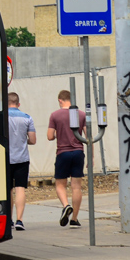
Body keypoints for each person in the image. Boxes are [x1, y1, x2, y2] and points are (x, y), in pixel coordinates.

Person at [47, 89, 86, 228]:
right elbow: (88, 136)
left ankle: (66, 205)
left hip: (63, 153)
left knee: (60, 184)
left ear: (60, 100)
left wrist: (59, 132)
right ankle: (74, 219)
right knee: (76, 187)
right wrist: (91, 157)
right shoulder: (81, 114)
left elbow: (50, 136)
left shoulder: (55, 115)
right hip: (78, 152)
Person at [6, 92, 36, 231]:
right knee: (20, 189)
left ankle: (9, 220)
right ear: (18, 104)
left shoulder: (2, 118)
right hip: (22, 159)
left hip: (5, 158)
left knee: (8, 190)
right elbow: (33, 140)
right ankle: (19, 220)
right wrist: (24, 140)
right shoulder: (27, 118)